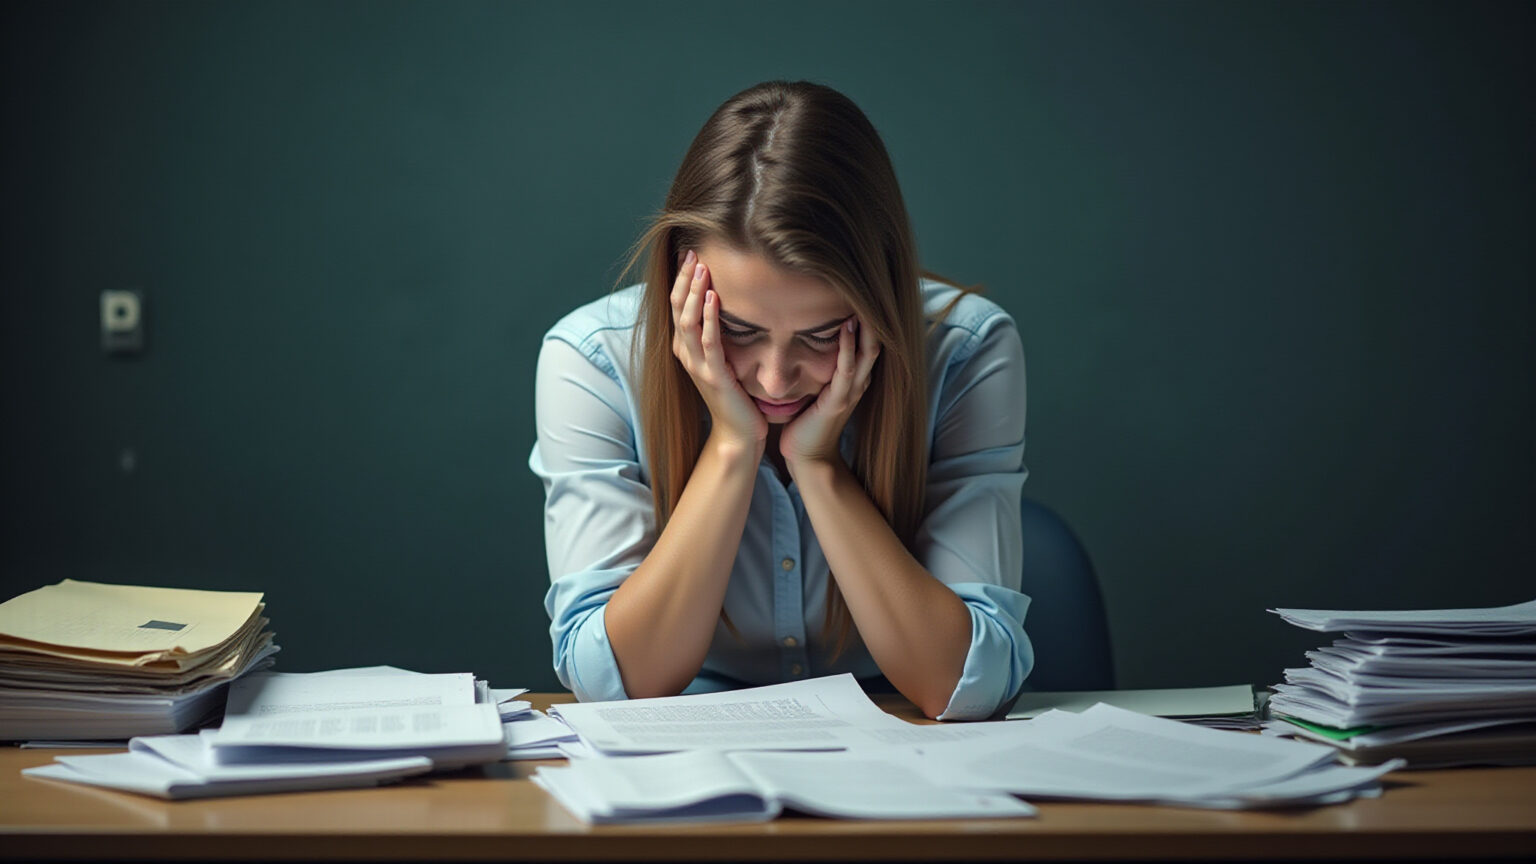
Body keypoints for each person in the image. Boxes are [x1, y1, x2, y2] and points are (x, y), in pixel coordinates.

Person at [530, 81, 1032, 720]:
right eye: (736, 330)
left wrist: (819, 467)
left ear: (878, 298)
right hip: (683, 741)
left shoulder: (965, 352)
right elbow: (614, 685)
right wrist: (733, 446)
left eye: (824, 335)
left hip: (901, 724)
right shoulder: (594, 361)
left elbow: (967, 684)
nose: (773, 381)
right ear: (683, 275)